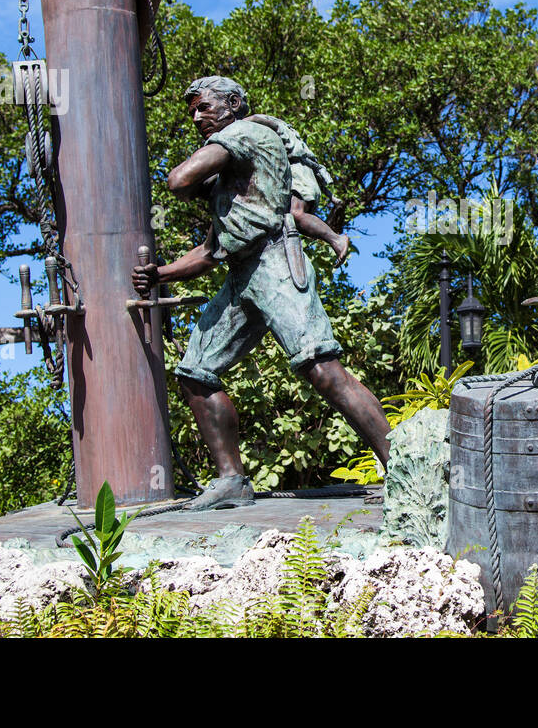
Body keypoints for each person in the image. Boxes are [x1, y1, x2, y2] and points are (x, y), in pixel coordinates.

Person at [131, 76, 390, 510]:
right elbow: (212, 252)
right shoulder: (231, 176)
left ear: (232, 103)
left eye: (203, 107)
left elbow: (178, 181)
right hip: (241, 274)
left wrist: (199, 169)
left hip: (274, 262)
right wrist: (160, 275)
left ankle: (400, 465)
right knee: (195, 371)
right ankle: (231, 479)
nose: (196, 117)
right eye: (191, 111)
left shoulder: (247, 133)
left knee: (322, 369)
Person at [244, 114, 352, 267]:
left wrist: (237, 126)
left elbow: (258, 119)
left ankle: (336, 240)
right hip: (299, 176)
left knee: (296, 213)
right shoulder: (290, 138)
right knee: (286, 219)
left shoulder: (282, 130)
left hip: (299, 174)